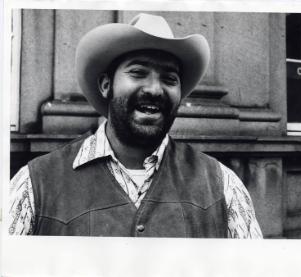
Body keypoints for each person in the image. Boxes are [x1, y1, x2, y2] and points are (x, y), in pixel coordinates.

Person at [9, 13, 262, 238]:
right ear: (106, 85)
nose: (154, 89)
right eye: (138, 72)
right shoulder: (33, 185)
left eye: (169, 78)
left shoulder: (223, 186)